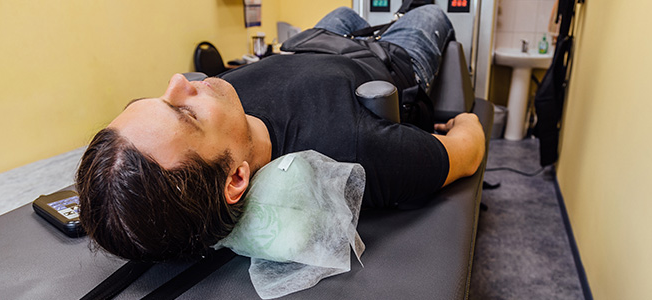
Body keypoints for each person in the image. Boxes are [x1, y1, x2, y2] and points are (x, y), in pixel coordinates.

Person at [76, 5, 485, 261]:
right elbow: (467, 149)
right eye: (184, 112)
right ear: (236, 177)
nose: (180, 79)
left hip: (311, 43)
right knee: (428, 11)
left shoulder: (221, 102)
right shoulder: (354, 150)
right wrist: (467, 119)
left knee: (346, 8)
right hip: (389, 55)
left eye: (158, 98)